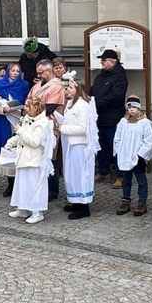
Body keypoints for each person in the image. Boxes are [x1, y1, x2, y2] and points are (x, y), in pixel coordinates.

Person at [5, 96, 56, 224]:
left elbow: (34, 141)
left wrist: (20, 130)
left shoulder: (42, 123)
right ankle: (23, 208)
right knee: (23, 184)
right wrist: (11, 142)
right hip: (23, 157)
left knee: (34, 186)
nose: (25, 108)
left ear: (36, 108)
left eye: (28, 106)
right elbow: (21, 136)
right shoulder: (27, 119)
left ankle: (37, 212)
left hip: (34, 159)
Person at [58, 76, 99, 220]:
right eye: (66, 87)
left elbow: (83, 128)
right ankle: (75, 201)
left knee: (80, 175)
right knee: (71, 174)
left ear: (78, 89)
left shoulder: (83, 105)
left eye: (70, 87)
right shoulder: (70, 103)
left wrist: (62, 128)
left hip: (80, 145)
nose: (67, 90)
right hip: (70, 144)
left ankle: (83, 207)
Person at [28, 59, 66, 200]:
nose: (38, 75)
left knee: (51, 157)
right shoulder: (37, 85)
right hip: (34, 124)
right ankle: (38, 186)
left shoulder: (57, 86)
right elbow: (28, 100)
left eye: (41, 73)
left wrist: (32, 112)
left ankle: (52, 190)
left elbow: (51, 106)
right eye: (37, 72)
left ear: (49, 71)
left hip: (49, 125)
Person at [0, 63, 29, 197]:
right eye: (13, 70)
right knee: (6, 151)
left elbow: (26, 102)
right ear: (8, 72)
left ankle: (20, 184)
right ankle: (10, 184)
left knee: (18, 152)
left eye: (18, 71)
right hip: (2, 122)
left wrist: (17, 108)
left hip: (17, 123)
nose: (16, 73)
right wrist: (3, 109)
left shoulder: (24, 86)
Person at [91, 49, 128, 188]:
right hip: (99, 117)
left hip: (113, 117)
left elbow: (116, 95)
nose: (101, 62)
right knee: (101, 146)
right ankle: (103, 170)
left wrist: (97, 102)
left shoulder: (120, 77)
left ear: (112, 62)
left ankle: (120, 175)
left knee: (115, 147)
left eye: (104, 60)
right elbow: (93, 90)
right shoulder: (101, 76)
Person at [114, 95, 152, 217]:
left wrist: (140, 155)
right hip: (125, 156)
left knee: (141, 180)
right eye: (129, 107)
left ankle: (142, 202)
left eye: (134, 107)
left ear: (138, 108)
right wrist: (118, 151)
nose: (131, 109)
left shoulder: (144, 123)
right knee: (126, 179)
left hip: (138, 157)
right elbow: (117, 138)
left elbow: (148, 141)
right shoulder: (123, 122)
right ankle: (125, 200)